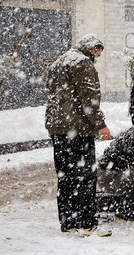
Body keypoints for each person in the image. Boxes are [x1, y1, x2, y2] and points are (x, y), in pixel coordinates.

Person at [45, 33, 111, 236]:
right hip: (78, 130)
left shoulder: (59, 62)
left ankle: (68, 222)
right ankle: (87, 223)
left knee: (66, 176)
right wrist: (100, 125)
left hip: (58, 129)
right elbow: (89, 99)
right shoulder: (82, 63)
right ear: (92, 49)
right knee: (85, 177)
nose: (97, 57)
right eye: (97, 53)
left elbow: (52, 93)